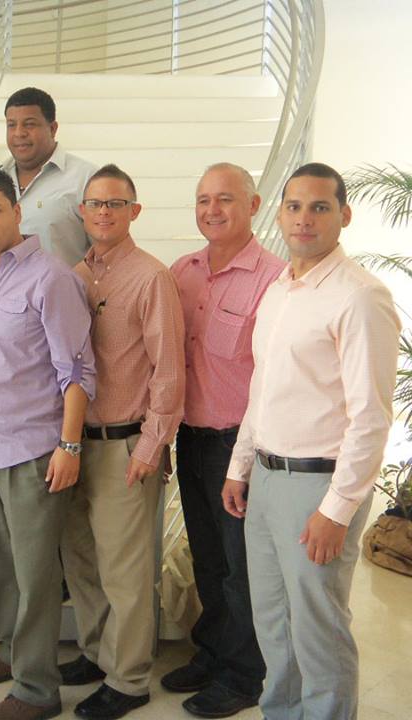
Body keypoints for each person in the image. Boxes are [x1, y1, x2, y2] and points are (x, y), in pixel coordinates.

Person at [223, 163, 400, 720]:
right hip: (267, 478)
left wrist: (337, 509)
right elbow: (263, 388)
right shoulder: (279, 289)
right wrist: (240, 466)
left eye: (320, 207)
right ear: (279, 215)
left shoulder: (360, 297)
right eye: (294, 206)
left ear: (343, 216)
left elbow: (370, 418)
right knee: (273, 622)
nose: (304, 218)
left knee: (318, 628)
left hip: (318, 485)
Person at [0, 168, 95, 720]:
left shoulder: (51, 278)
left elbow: (77, 371)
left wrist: (70, 446)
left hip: (36, 450)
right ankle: (11, 654)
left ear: (17, 212)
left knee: (37, 576)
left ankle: (37, 690)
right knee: (3, 568)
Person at [59, 165, 186, 720]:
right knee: (82, 561)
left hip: (124, 445)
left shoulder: (151, 277)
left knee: (125, 572)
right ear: (81, 212)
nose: (104, 212)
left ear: (135, 211)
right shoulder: (73, 275)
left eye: (115, 203)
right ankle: (96, 653)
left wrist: (151, 446)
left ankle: (129, 679)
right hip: (74, 442)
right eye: (95, 203)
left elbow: (169, 370)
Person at [162, 163, 285, 718]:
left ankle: (244, 675)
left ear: (253, 205)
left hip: (241, 447)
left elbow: (274, 380)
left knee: (241, 567)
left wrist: (246, 457)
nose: (212, 210)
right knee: (207, 559)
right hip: (190, 439)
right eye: (203, 199)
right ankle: (212, 652)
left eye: (226, 199)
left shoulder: (274, 279)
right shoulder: (181, 273)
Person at [1, 86, 97, 267]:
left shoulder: (86, 179)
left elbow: (106, 253)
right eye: (11, 125)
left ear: (52, 129)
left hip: (66, 286)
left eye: (29, 124)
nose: (19, 133)